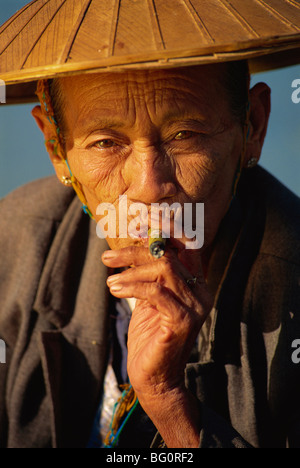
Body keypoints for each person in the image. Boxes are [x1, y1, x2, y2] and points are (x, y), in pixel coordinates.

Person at [0, 0, 300, 449]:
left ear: (252, 127)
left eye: (185, 135)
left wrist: (169, 403)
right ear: (57, 148)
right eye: (106, 142)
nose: (149, 186)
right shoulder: (13, 242)